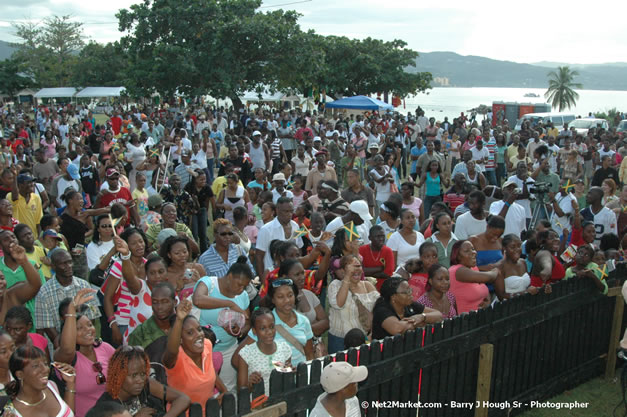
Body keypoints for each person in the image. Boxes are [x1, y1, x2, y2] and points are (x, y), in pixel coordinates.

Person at [192, 257, 253, 392]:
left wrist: (239, 331)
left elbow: (247, 322)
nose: (241, 289)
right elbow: (198, 300)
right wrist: (229, 304)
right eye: (239, 284)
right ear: (229, 276)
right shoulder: (209, 283)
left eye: (244, 286)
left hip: (228, 350)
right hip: (201, 352)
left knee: (228, 391)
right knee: (203, 391)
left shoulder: (242, 295)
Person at [54, 289, 116, 417]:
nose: (88, 330)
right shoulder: (67, 359)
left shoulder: (105, 348)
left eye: (89, 325)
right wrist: (71, 311)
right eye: (79, 328)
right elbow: (67, 349)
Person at [234, 278, 314, 368]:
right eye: (280, 297)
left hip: (301, 375)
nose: (287, 300)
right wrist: (254, 373)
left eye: (290, 295)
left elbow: (309, 354)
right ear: (272, 299)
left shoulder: (303, 321)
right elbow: (236, 359)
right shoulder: (264, 322)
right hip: (275, 376)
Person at [163, 299, 227, 410]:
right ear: (180, 339)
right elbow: (172, 351)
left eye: (199, 329)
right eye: (190, 333)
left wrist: (224, 390)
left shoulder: (207, 344)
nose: (198, 335)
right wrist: (179, 319)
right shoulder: (176, 359)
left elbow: (209, 370)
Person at [94, 346, 190, 417]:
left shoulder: (147, 384)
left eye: (143, 374)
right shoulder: (106, 406)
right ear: (118, 375)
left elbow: (183, 398)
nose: (140, 380)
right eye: (134, 375)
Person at [102, 227, 148, 346]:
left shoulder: (149, 265)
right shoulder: (119, 265)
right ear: (126, 246)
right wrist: (113, 325)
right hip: (124, 322)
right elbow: (107, 298)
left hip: (145, 322)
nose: (139, 245)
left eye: (141, 241)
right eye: (134, 243)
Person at [4, 345, 76, 417]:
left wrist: (70, 383)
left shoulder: (52, 386)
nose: (45, 369)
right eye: (36, 366)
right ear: (20, 374)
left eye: (45, 363)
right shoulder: (12, 413)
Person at [327, 255, 379, 353]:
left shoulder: (367, 285)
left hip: (363, 338)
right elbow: (338, 304)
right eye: (351, 267)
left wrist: (371, 334)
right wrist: (347, 276)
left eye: (358, 266)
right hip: (339, 340)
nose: (355, 269)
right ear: (343, 270)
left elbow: (378, 310)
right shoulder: (335, 285)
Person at [236, 307, 292, 395]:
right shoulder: (246, 354)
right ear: (254, 331)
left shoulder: (284, 349)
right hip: (257, 401)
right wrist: (250, 383)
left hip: (280, 399)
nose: (269, 332)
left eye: (271, 327)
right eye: (262, 328)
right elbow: (241, 390)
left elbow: (286, 379)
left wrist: (289, 372)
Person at [371, 277, 442, 340]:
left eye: (410, 290)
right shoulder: (381, 310)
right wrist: (418, 322)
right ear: (393, 297)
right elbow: (397, 329)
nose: (410, 293)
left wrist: (422, 317)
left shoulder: (409, 304)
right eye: (406, 292)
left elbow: (439, 315)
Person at [256, 197, 303, 284]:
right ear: (277, 211)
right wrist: (263, 281)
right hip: (272, 277)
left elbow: (299, 249)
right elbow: (259, 257)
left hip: (292, 278)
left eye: (291, 211)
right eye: (286, 211)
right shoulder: (266, 229)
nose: (289, 214)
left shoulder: (296, 226)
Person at [448, 240, 499, 314]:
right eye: (467, 251)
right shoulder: (457, 270)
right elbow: (489, 277)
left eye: (473, 249)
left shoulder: (473, 268)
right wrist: (496, 270)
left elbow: (483, 288)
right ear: (458, 256)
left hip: (480, 316)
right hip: (465, 318)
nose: (473, 252)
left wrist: (487, 302)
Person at [127, 282, 176, 354]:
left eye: (165, 302)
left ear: (175, 302)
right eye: (155, 302)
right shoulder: (139, 334)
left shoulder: (184, 326)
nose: (159, 307)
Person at [358, 225, 395, 290]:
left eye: (383, 236)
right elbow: (359, 271)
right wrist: (380, 268)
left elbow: (388, 274)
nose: (381, 239)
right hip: (365, 287)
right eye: (377, 236)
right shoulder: (361, 250)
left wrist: (367, 272)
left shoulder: (388, 251)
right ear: (370, 238)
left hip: (383, 288)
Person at [8, 173, 42, 237]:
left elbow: (38, 221)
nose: (32, 184)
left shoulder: (36, 198)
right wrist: (14, 176)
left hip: (33, 237)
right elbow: (14, 197)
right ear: (20, 185)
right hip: (18, 237)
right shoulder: (10, 196)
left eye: (32, 182)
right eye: (29, 182)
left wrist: (39, 237)